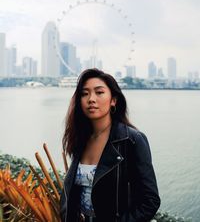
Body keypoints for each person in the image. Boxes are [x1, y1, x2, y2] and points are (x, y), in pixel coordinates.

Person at [60, 68, 160, 222]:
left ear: (113, 100)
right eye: (84, 93)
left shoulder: (132, 140)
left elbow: (150, 201)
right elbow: (71, 194)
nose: (91, 99)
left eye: (99, 92)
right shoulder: (80, 139)